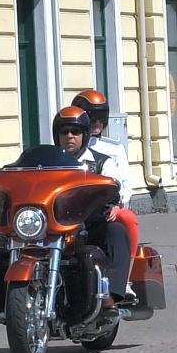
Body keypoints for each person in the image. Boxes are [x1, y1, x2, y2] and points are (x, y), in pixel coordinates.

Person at [52, 107, 131, 313]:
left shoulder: (101, 162)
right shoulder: (46, 163)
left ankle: (110, 296)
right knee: (6, 240)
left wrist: (112, 195)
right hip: (53, 225)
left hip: (90, 225)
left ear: (85, 134)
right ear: (57, 135)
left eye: (75, 131)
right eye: (64, 131)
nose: (70, 136)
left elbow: (115, 184)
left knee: (117, 232)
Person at [72, 91, 139, 282]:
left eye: (101, 117)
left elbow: (125, 185)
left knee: (127, 218)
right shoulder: (69, 145)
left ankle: (126, 276)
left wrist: (118, 205)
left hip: (106, 207)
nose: (97, 122)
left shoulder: (114, 148)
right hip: (73, 208)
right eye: (92, 117)